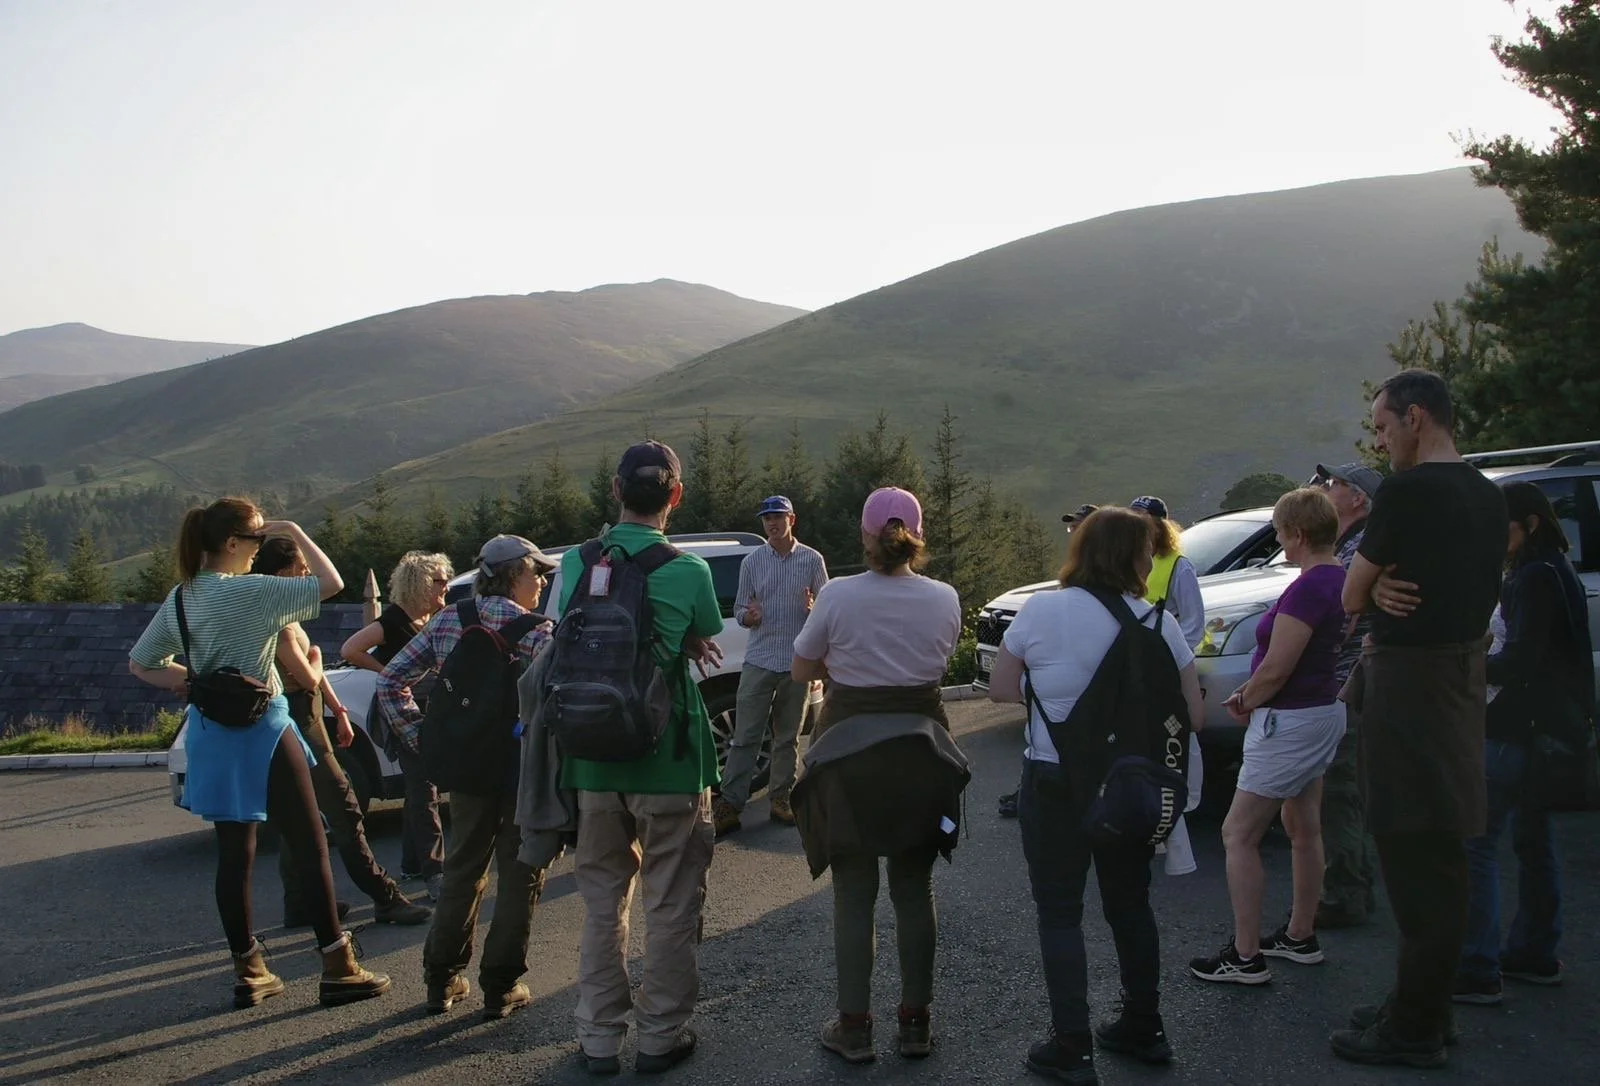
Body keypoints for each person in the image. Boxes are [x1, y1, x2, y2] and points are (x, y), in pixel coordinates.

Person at [128, 498, 389, 1009]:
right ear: (232, 544)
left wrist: (197, 682)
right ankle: (338, 964)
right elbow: (331, 583)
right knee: (311, 842)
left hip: (212, 734)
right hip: (266, 730)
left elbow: (141, 665)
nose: (260, 549)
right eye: (256, 539)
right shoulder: (253, 591)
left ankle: (250, 971)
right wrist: (291, 526)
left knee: (235, 855)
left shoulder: (181, 598)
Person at [989, 506, 1203, 1084]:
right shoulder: (1160, 623)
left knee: (1060, 914)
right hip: (1129, 790)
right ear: (1137, 558)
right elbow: (1194, 714)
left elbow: (1001, 688)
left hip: (1055, 783)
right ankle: (1144, 1025)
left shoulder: (1042, 609)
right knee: (1130, 906)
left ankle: (1072, 1046)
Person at [1331, 370, 1507, 1069]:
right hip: (1461, 685)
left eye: (1381, 426)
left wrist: (1375, 585)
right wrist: (1387, 586)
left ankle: (1415, 1031)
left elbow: (1348, 594)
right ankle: (1420, 1005)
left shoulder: (1408, 490)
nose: (1380, 441)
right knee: (1442, 852)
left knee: (1412, 856)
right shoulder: (1491, 497)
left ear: (1415, 418)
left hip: (1411, 688)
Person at [561, 441, 724, 1076]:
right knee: (672, 902)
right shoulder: (688, 571)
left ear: (615, 490)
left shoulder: (575, 564)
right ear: (676, 496)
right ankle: (661, 1035)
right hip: (669, 758)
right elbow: (701, 628)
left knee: (603, 904)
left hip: (592, 762)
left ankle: (598, 1038)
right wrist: (683, 636)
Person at [790, 486, 965, 1066]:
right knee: (915, 887)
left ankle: (854, 1027)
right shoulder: (944, 597)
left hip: (848, 748)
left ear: (866, 536)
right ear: (917, 534)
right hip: (922, 748)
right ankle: (916, 1023)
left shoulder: (838, 596)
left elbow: (800, 669)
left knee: (854, 892)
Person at [377, 535, 558, 1021]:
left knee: (461, 871)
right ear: (512, 575)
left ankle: (442, 980)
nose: (541, 581)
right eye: (535, 573)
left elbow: (390, 680)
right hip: (523, 772)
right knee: (521, 876)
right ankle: (501, 987)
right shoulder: (541, 632)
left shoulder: (449, 619)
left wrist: (422, 739)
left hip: (468, 770)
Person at [1189, 488, 1347, 985]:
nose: (1280, 542)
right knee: (1303, 825)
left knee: (1238, 833)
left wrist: (1246, 697)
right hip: (1323, 711)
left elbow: (1279, 666)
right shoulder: (1342, 579)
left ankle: (1246, 954)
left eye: (1280, 534)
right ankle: (1300, 935)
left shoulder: (1307, 589)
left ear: (1297, 535)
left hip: (1289, 721)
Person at [1455, 482, 1591, 1003]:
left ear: (1529, 523)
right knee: (1534, 843)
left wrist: (1467, 665)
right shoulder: (1556, 569)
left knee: (1478, 842)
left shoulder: (1533, 577)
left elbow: (1522, 663)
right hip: (1551, 728)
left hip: (1518, 726)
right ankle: (1534, 951)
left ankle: (1477, 965)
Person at [252, 538, 431, 930]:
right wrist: (316, 658)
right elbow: (305, 675)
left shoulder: (281, 613)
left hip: (308, 714)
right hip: (301, 720)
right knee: (345, 810)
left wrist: (338, 710)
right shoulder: (279, 621)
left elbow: (312, 682)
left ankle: (299, 903)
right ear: (282, 573)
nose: (305, 574)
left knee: (296, 815)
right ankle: (385, 898)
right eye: (300, 567)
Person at [713, 494, 829, 837]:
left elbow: (828, 607)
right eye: (766, 519)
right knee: (745, 736)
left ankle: (781, 799)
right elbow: (737, 609)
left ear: (791, 519)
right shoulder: (752, 562)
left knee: (787, 737)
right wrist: (747, 616)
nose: (771, 523)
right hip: (759, 661)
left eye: (778, 517)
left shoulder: (811, 560)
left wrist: (812, 611)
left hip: (797, 663)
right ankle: (730, 804)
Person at [342, 550, 454, 897]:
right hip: (400, 712)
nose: (446, 586)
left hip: (425, 709)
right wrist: (390, 674)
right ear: (420, 583)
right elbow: (350, 649)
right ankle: (435, 873)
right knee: (424, 790)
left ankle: (412, 865)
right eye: (439, 581)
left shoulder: (427, 620)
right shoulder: (392, 621)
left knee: (419, 789)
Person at [1313, 462, 1384, 929]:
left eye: (1335, 484)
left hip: (1349, 681)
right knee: (1348, 788)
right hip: (1354, 679)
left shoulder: (1361, 548)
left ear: (1359, 499)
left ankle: (1345, 894)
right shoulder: (1353, 544)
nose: (1325, 489)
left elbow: (1345, 616)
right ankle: (1357, 882)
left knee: (1339, 788)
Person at [998, 502, 1099, 821]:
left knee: (1055, 866)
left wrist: (1036, 689)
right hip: (1121, 768)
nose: (1073, 533)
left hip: (1052, 764)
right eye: (1071, 527)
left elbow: (1001, 689)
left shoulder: (1042, 606)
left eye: (1080, 527)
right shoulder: (1154, 619)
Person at [1130, 496, 1205, 649]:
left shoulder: (1180, 565)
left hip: (1162, 654)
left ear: (1159, 529)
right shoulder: (1123, 562)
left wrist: (1173, 653)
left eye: (1140, 520)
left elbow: (1193, 624)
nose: (1133, 527)